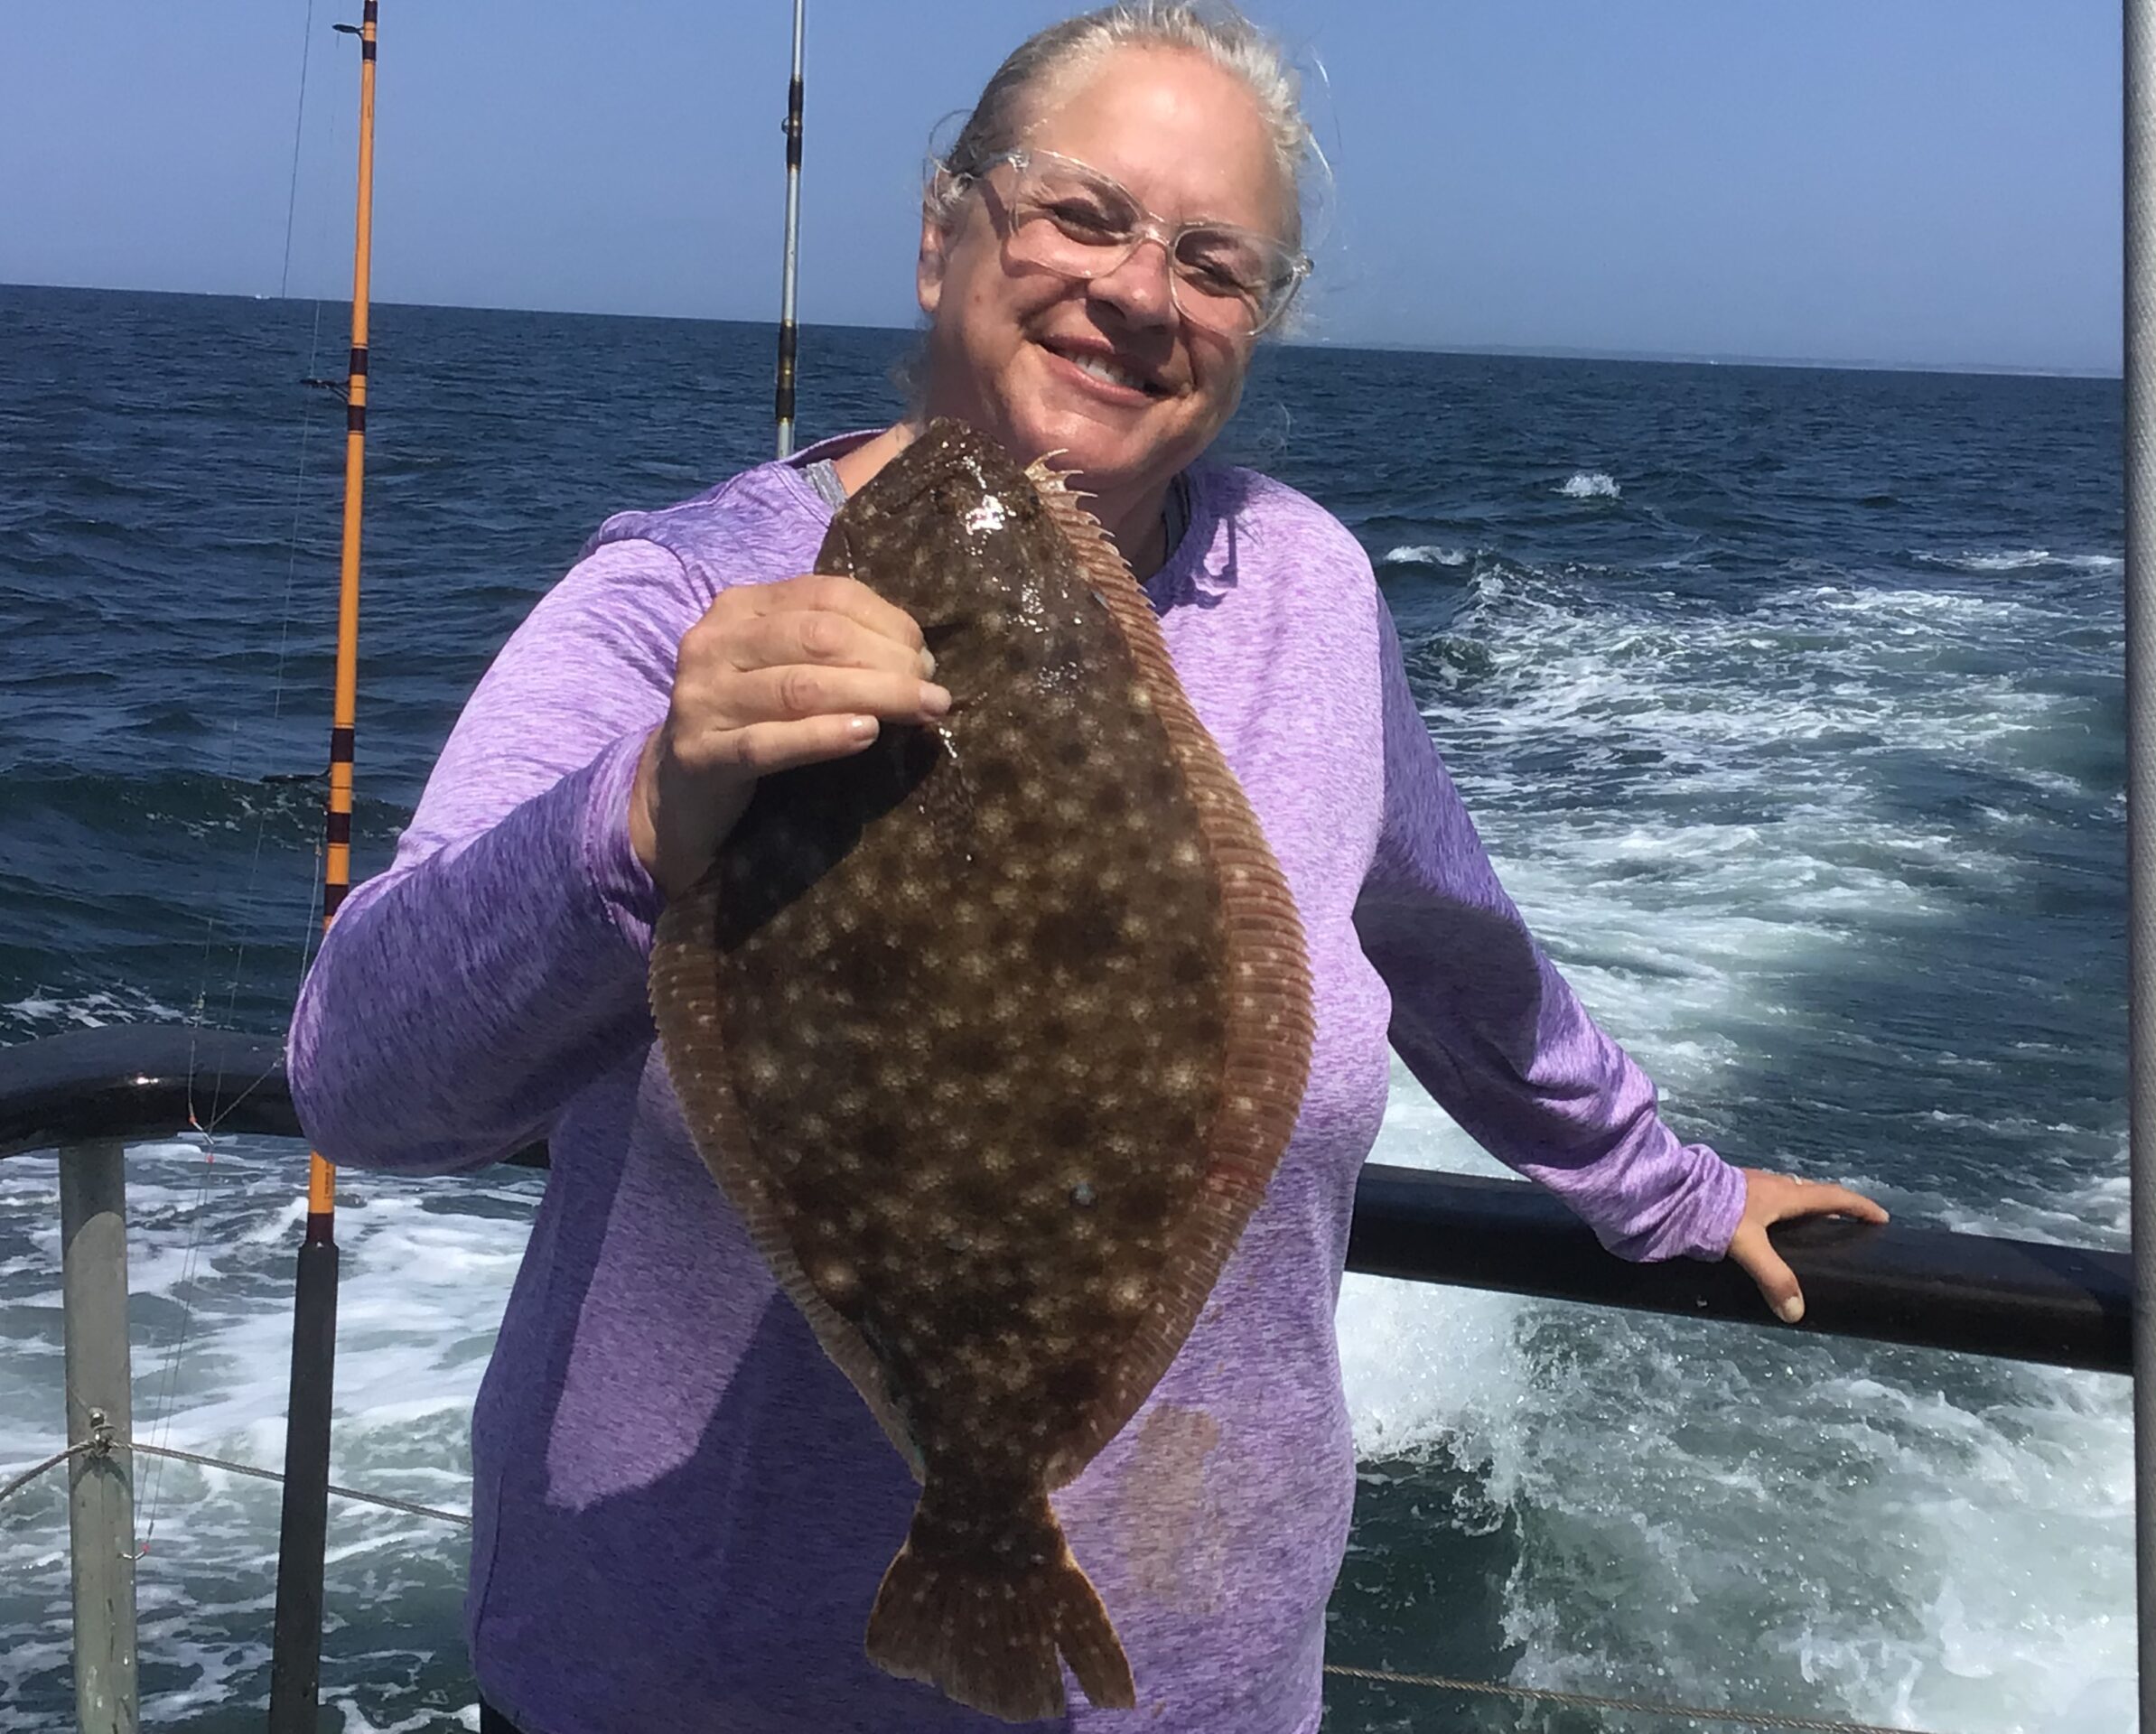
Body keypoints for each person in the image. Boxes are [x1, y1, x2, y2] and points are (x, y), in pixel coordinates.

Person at [288, 5, 1886, 1729]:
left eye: (1215, 260)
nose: (1139, 290)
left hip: (1192, 1679)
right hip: (697, 1681)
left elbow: (1451, 948)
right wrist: (650, 808)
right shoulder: (676, 604)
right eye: (1082, 213)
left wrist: (1663, 1188)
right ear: (940, 233)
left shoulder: (1307, 594)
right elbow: (362, 1083)